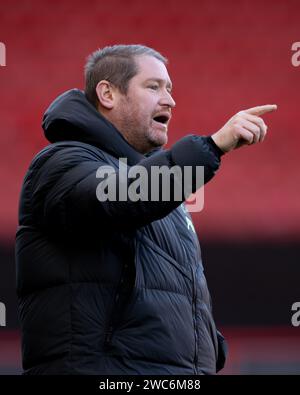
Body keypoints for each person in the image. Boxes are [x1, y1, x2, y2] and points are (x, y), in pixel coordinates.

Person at [15, 44, 277, 375]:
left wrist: (207, 343)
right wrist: (211, 147)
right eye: (153, 86)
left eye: (169, 88)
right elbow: (121, 197)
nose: (170, 100)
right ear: (108, 94)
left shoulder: (160, 191)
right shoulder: (61, 163)